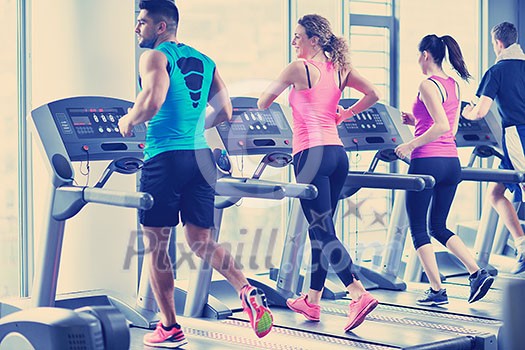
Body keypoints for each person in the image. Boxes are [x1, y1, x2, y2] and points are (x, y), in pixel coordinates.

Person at [118, 0, 273, 347]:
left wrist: (128, 120)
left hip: (164, 158)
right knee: (202, 240)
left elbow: (153, 101)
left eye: (142, 22)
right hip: (200, 157)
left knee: (157, 245)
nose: (137, 28)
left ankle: (170, 327)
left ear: (161, 27)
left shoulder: (155, 57)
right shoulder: (205, 60)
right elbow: (226, 110)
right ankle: (245, 289)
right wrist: (192, 129)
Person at [258, 14, 380, 332]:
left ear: (314, 39)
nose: (293, 40)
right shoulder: (338, 68)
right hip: (338, 156)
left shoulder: (297, 68)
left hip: (311, 155)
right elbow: (373, 95)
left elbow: (262, 102)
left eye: (298, 36)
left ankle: (358, 293)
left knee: (323, 231)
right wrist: (345, 113)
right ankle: (312, 299)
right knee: (321, 232)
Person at [395, 34, 494, 306]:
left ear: (426, 54)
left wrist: (409, 145)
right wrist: (415, 120)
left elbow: (439, 127)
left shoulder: (427, 84)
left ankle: (437, 291)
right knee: (438, 226)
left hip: (427, 160)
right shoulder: (452, 85)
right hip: (451, 162)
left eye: (419, 55)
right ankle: (476, 272)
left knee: (418, 229)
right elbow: (449, 127)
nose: (418, 60)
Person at [462, 21, 525, 275]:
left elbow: (481, 111)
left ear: (498, 43)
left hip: (517, 136)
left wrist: (467, 111)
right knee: (495, 193)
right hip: (515, 138)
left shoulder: (497, 71)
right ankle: (522, 244)